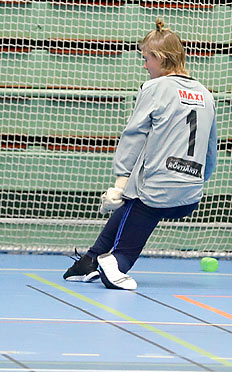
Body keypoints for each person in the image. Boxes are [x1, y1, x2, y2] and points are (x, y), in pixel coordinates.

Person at [64, 20, 218, 291]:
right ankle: (88, 260)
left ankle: (114, 261)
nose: (144, 65)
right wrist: (198, 179)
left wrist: (121, 180)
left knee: (136, 198)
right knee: (136, 199)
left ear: (159, 58)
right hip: (191, 195)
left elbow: (133, 135)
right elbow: (210, 149)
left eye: (146, 58)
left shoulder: (155, 88)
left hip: (156, 192)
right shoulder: (206, 94)